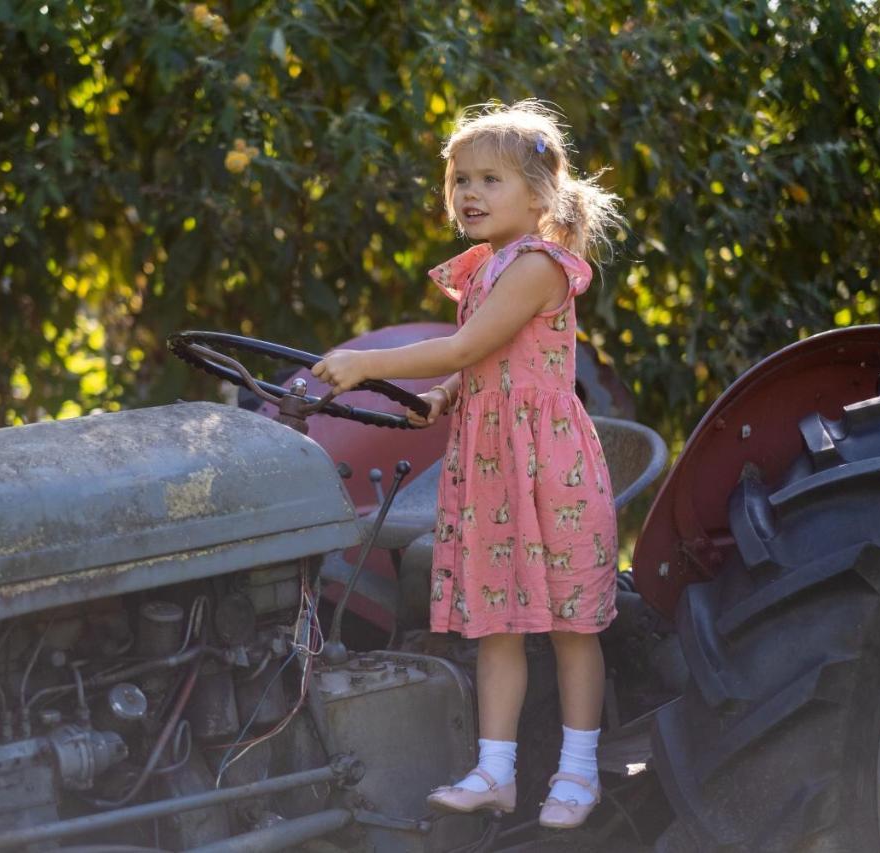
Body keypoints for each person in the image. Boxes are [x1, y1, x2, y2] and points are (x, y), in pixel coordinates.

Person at [311, 100, 623, 829]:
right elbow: (484, 357)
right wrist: (448, 398)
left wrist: (366, 363)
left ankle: (578, 773)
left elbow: (461, 345)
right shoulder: (487, 268)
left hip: (549, 469)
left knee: (573, 624)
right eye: (459, 181)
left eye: (489, 179)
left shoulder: (538, 266)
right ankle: (496, 769)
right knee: (498, 623)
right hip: (492, 465)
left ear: (539, 196)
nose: (469, 194)